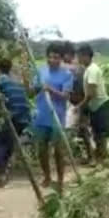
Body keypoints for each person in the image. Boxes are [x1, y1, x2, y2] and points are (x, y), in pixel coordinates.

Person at [32, 42, 73, 190]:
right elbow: (34, 90)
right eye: (50, 57)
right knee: (42, 150)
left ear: (61, 59)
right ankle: (47, 176)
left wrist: (50, 89)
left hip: (57, 116)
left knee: (58, 151)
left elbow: (66, 96)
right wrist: (34, 87)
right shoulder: (40, 71)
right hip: (41, 115)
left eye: (56, 58)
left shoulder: (67, 75)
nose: (53, 60)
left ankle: (60, 179)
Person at [0, 57, 30, 185]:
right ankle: (4, 169)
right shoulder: (16, 82)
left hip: (14, 116)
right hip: (24, 117)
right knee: (8, 141)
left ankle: (0, 171)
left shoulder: (0, 81)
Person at [77, 44, 109, 162]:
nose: (78, 58)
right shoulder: (88, 69)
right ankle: (100, 159)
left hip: (100, 105)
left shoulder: (92, 70)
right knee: (97, 133)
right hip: (96, 106)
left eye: (80, 56)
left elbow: (91, 94)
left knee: (100, 134)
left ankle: (101, 160)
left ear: (86, 56)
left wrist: (80, 106)